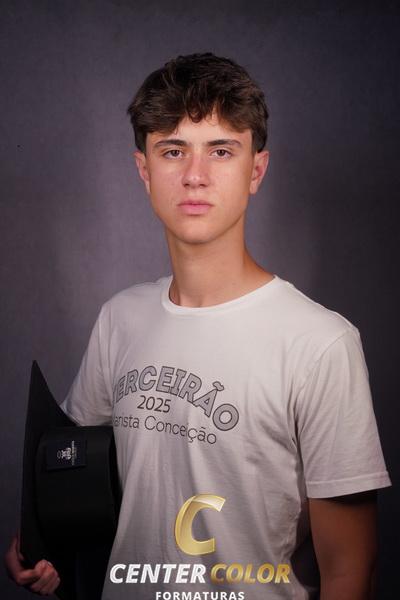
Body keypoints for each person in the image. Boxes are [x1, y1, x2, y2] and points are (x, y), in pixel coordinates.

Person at [5, 52, 391, 600]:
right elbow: (74, 480)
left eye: (221, 150)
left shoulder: (321, 344)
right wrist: (44, 549)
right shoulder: (120, 319)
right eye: (172, 150)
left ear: (256, 170)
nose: (194, 175)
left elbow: (351, 571)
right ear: (144, 170)